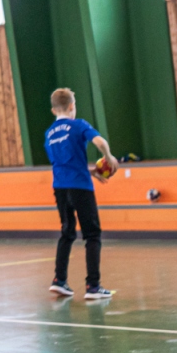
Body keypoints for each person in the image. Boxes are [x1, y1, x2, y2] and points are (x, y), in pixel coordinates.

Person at [45, 88, 117, 302]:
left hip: (60, 188)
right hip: (80, 187)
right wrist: (109, 157)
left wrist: (92, 171)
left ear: (53, 110)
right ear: (71, 107)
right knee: (92, 234)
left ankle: (59, 281)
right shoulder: (79, 125)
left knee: (67, 232)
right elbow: (100, 142)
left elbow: (63, 164)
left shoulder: (49, 133)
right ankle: (93, 286)